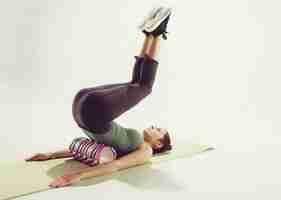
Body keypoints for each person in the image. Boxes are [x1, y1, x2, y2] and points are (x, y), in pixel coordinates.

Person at [25, 6, 173, 188]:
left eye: (158, 130)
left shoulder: (146, 150)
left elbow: (116, 165)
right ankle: (150, 34)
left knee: (144, 87)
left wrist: (78, 176)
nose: (153, 126)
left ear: (158, 144)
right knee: (136, 84)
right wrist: (50, 156)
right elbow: (91, 148)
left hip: (93, 109)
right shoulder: (119, 147)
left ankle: (156, 34)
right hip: (83, 110)